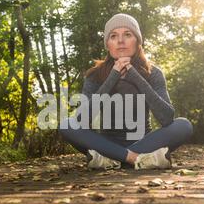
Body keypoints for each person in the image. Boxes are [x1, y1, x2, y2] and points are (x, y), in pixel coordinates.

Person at [59, 13, 193, 170]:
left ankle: (112, 159)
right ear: (107, 44)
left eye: (127, 35)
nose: (120, 41)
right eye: (114, 36)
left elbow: (167, 117)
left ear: (137, 42)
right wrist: (113, 76)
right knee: (67, 124)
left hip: (145, 142)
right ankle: (135, 159)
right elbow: (82, 120)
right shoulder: (95, 75)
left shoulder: (154, 73)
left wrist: (135, 77)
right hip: (106, 143)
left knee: (183, 125)